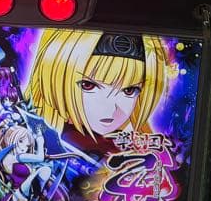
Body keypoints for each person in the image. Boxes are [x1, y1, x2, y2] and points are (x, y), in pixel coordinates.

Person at [27, 29, 170, 156]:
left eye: (129, 90)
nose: (110, 109)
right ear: (54, 79)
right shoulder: (36, 136)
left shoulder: (130, 146)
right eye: (88, 85)